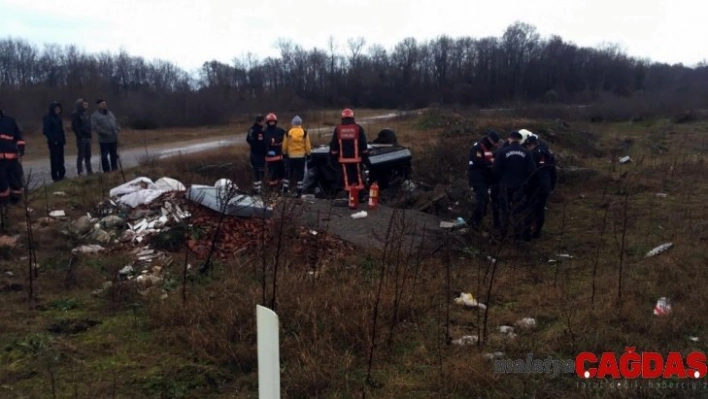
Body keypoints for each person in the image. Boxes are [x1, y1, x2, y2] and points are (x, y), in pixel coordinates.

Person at [492, 130, 536, 242]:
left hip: (505, 185)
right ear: (520, 140)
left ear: (510, 139)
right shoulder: (527, 153)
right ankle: (518, 236)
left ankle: (503, 234)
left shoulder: (502, 152)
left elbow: (496, 170)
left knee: (504, 210)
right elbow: (532, 170)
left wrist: (501, 180)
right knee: (518, 211)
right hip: (520, 186)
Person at [329, 108, 368, 201]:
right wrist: (365, 156)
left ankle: (350, 197)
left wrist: (333, 157)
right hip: (357, 159)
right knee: (358, 177)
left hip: (343, 160)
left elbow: (334, 145)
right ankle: (361, 196)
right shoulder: (358, 128)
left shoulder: (338, 129)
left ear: (342, 118)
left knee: (347, 179)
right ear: (352, 117)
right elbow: (363, 144)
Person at [523, 134, 557, 239]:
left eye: (527, 146)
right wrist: (552, 186)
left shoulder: (532, 154)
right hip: (545, 186)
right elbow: (553, 172)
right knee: (540, 209)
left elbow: (529, 171)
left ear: (531, 145)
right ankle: (537, 232)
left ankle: (527, 234)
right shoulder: (549, 154)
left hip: (534, 186)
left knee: (530, 209)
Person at [467, 130, 502, 229]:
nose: (495, 145)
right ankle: (474, 223)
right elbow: (477, 162)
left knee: (485, 200)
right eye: (494, 142)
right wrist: (492, 163)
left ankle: (478, 221)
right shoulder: (478, 147)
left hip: (484, 179)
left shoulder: (487, 149)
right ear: (490, 139)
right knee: (482, 198)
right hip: (477, 178)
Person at [0, 106, 26, 204]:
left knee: (16, 183)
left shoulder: (10, 121)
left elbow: (18, 136)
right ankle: (4, 206)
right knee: (2, 186)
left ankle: (16, 203)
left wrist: (21, 147)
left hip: (12, 159)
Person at [282, 115, 311, 197]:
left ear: (292, 123)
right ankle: (299, 192)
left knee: (288, 173)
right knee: (300, 175)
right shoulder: (304, 133)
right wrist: (308, 155)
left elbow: (284, 145)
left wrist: (284, 154)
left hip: (291, 157)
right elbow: (308, 146)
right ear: (300, 123)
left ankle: (285, 190)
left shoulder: (288, 133)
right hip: (301, 157)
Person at [91, 99, 120, 172]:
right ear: (98, 105)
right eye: (102, 104)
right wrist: (105, 132)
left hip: (113, 138)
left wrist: (117, 129)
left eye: (104, 104)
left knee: (114, 155)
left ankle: (115, 169)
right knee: (104, 156)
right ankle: (106, 171)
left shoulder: (110, 113)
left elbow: (116, 121)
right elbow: (95, 127)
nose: (104, 105)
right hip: (104, 140)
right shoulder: (95, 116)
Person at [263, 113, 287, 193]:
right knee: (272, 177)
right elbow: (264, 143)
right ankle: (272, 191)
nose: (272, 123)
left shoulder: (280, 131)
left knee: (282, 175)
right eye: (270, 122)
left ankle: (282, 190)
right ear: (267, 122)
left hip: (280, 157)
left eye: (273, 122)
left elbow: (287, 138)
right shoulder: (265, 132)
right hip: (270, 159)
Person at [42, 101, 66, 182]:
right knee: (54, 160)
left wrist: (63, 140)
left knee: (61, 159)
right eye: (56, 109)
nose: (58, 110)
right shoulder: (48, 118)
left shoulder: (59, 118)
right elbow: (46, 131)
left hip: (60, 141)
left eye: (59, 109)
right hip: (53, 142)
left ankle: (62, 175)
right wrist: (52, 140)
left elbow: (61, 130)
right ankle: (55, 176)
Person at [71, 98, 93, 175]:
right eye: (84, 105)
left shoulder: (86, 114)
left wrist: (90, 133)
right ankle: (80, 171)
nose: (86, 106)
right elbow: (75, 126)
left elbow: (89, 124)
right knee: (81, 155)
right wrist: (79, 135)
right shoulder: (76, 114)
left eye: (87, 105)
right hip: (81, 138)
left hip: (87, 137)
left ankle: (89, 170)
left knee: (88, 155)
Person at [246, 115, 266, 194]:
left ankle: (255, 188)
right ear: (261, 121)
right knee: (260, 172)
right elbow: (261, 143)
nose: (264, 123)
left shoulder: (251, 129)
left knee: (255, 171)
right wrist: (264, 151)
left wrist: (252, 145)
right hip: (259, 154)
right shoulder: (259, 131)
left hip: (253, 153)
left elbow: (248, 139)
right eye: (263, 121)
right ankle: (258, 190)